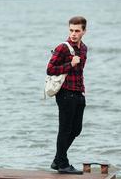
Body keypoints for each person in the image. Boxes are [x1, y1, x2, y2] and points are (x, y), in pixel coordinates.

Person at [46, 16, 87, 174]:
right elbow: (50, 69)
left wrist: (82, 90)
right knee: (65, 129)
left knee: (76, 129)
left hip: (78, 92)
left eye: (77, 31)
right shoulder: (62, 48)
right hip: (65, 93)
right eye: (71, 30)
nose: (73, 34)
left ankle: (58, 160)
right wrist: (70, 63)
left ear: (84, 31)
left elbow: (80, 71)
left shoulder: (84, 48)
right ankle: (63, 164)